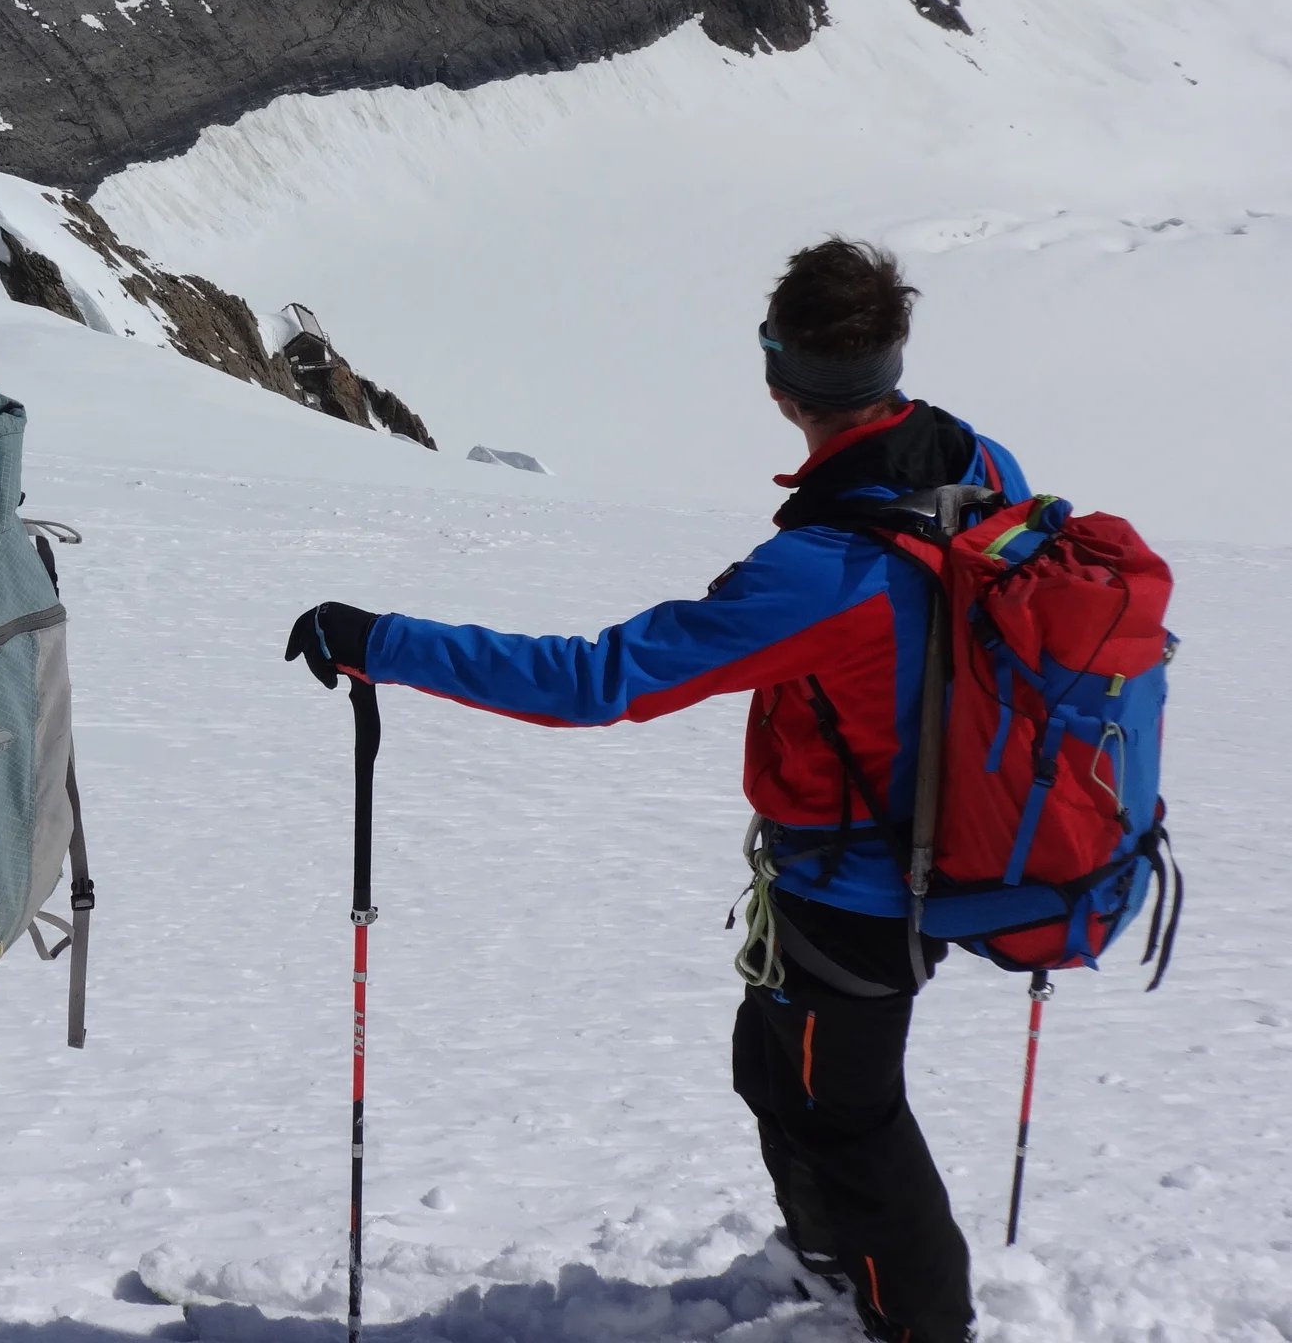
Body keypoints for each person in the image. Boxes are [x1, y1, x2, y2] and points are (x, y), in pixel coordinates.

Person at [286, 240, 1014, 1343]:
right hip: (907, 848)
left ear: (778, 377)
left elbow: (595, 680)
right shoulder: (965, 460)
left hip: (856, 891)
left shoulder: (827, 571)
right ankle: (830, 1267)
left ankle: (919, 1322)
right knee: (775, 1072)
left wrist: (382, 640)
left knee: (845, 1118)